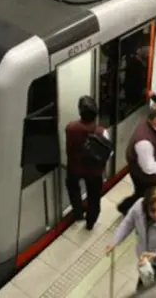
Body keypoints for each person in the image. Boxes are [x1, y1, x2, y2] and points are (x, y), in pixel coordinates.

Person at [117, 104, 156, 215]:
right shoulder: (144, 142)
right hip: (142, 174)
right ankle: (127, 208)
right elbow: (148, 168)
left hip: (150, 171)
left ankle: (130, 207)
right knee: (144, 193)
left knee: (144, 193)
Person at [107, 186, 156, 290]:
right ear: (146, 207)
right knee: (143, 287)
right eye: (152, 210)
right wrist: (115, 240)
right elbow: (128, 223)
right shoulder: (138, 207)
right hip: (145, 261)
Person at [65, 96, 111, 230]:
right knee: (94, 198)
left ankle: (78, 214)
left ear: (80, 112)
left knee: (73, 189)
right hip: (94, 172)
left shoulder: (70, 127)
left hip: (74, 167)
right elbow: (108, 153)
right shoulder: (102, 132)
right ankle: (90, 223)